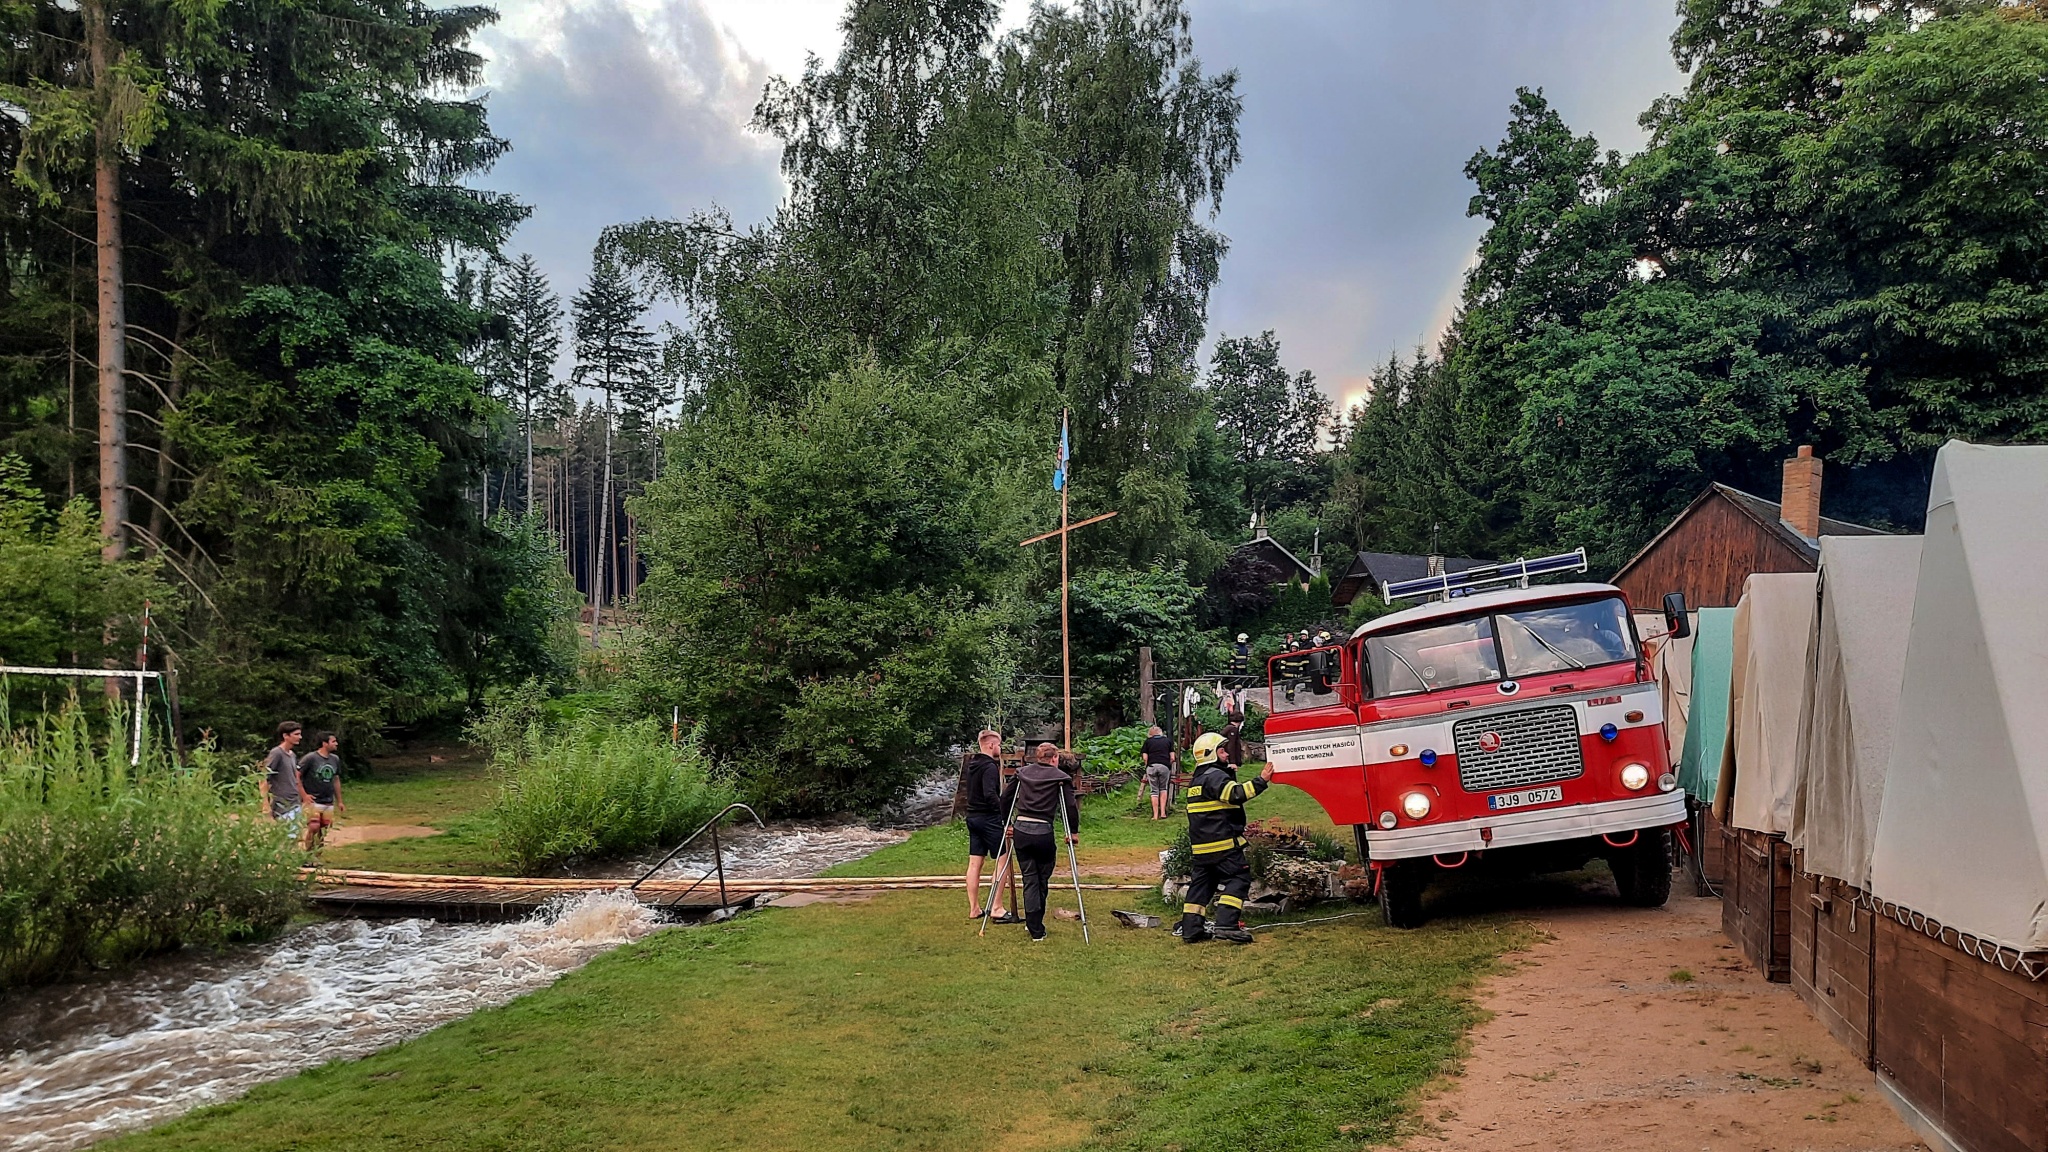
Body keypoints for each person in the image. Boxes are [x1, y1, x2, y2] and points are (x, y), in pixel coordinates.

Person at [1178, 731, 1274, 945]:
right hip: (1223, 845)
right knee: (1238, 878)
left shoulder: (1197, 781)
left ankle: (1191, 929)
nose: (1226, 754)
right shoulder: (1215, 777)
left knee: (1202, 886)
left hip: (1201, 848)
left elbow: (1221, 799)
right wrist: (1261, 780)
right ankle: (1227, 925)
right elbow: (1236, 794)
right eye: (1222, 751)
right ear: (1211, 754)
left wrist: (1228, 773)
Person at [998, 743, 1082, 942]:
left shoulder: (1022, 773)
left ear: (1037, 757)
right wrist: (1073, 831)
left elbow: (1005, 798)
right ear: (1055, 758)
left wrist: (1006, 823)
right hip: (1043, 833)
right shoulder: (1061, 777)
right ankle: (1035, 926)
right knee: (1042, 878)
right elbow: (1070, 806)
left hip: (1021, 830)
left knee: (1030, 878)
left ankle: (1033, 924)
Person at [962, 729, 1014, 922]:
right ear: (991, 745)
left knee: (975, 863)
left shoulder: (972, 765)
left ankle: (974, 908)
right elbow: (990, 794)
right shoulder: (990, 766)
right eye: (999, 745)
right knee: (1003, 860)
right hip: (989, 819)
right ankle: (997, 907)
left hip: (973, 817)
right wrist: (1005, 816)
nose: (1000, 748)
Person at [296, 732, 345, 851]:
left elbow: (336, 779)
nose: (336, 744)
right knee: (314, 827)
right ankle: (308, 853)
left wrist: (339, 801)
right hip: (313, 800)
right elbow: (297, 775)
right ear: (324, 743)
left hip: (328, 800)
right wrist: (304, 795)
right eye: (333, 741)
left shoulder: (335, 759)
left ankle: (316, 854)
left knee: (322, 829)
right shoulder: (310, 758)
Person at [258, 721, 305, 842]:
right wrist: (265, 803)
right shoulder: (277, 753)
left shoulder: (292, 755)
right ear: (285, 736)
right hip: (282, 803)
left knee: (295, 837)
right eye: (296, 734)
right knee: (286, 837)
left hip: (294, 801)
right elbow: (263, 777)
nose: (300, 737)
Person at [1142, 725, 1174, 819]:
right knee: (1163, 788)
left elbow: (1145, 758)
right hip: (1164, 766)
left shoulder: (1147, 742)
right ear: (1160, 733)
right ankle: (1163, 813)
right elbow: (1172, 757)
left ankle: (1155, 815)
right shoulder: (1168, 741)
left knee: (1154, 791)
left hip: (1151, 767)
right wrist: (1168, 765)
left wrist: (1148, 766)